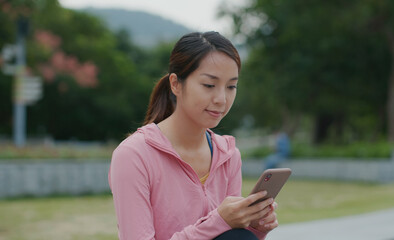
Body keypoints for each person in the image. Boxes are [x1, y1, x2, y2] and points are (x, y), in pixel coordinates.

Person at [109, 31, 279, 240]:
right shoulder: (134, 155)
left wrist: (255, 226)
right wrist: (219, 221)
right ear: (175, 84)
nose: (221, 99)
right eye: (209, 85)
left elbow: (231, 236)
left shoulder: (228, 154)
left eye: (231, 86)